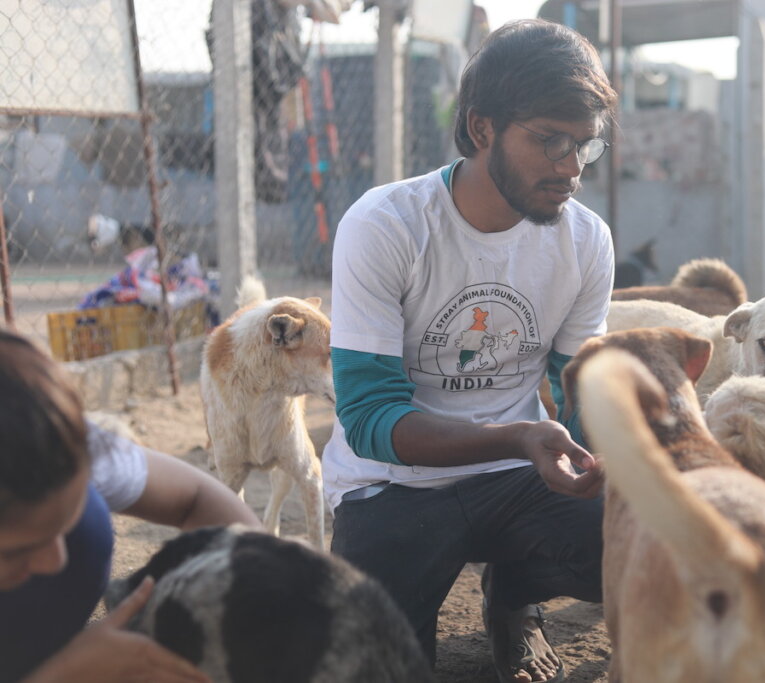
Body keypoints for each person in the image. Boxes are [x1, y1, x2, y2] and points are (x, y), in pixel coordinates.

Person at [323, 18, 618, 683]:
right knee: (383, 664)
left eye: (585, 146)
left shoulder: (586, 240)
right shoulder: (387, 225)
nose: (571, 167)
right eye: (550, 140)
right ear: (482, 127)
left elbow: (576, 390)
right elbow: (370, 419)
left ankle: (514, 597)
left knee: (640, 541)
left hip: (519, 480)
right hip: (390, 489)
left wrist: (600, 455)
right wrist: (519, 438)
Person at [0, 327, 262, 683]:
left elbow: (197, 498)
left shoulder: (45, 433)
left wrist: (267, 577)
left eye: (63, 524)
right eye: (18, 549)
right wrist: (68, 673)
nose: (59, 560)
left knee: (86, 530)